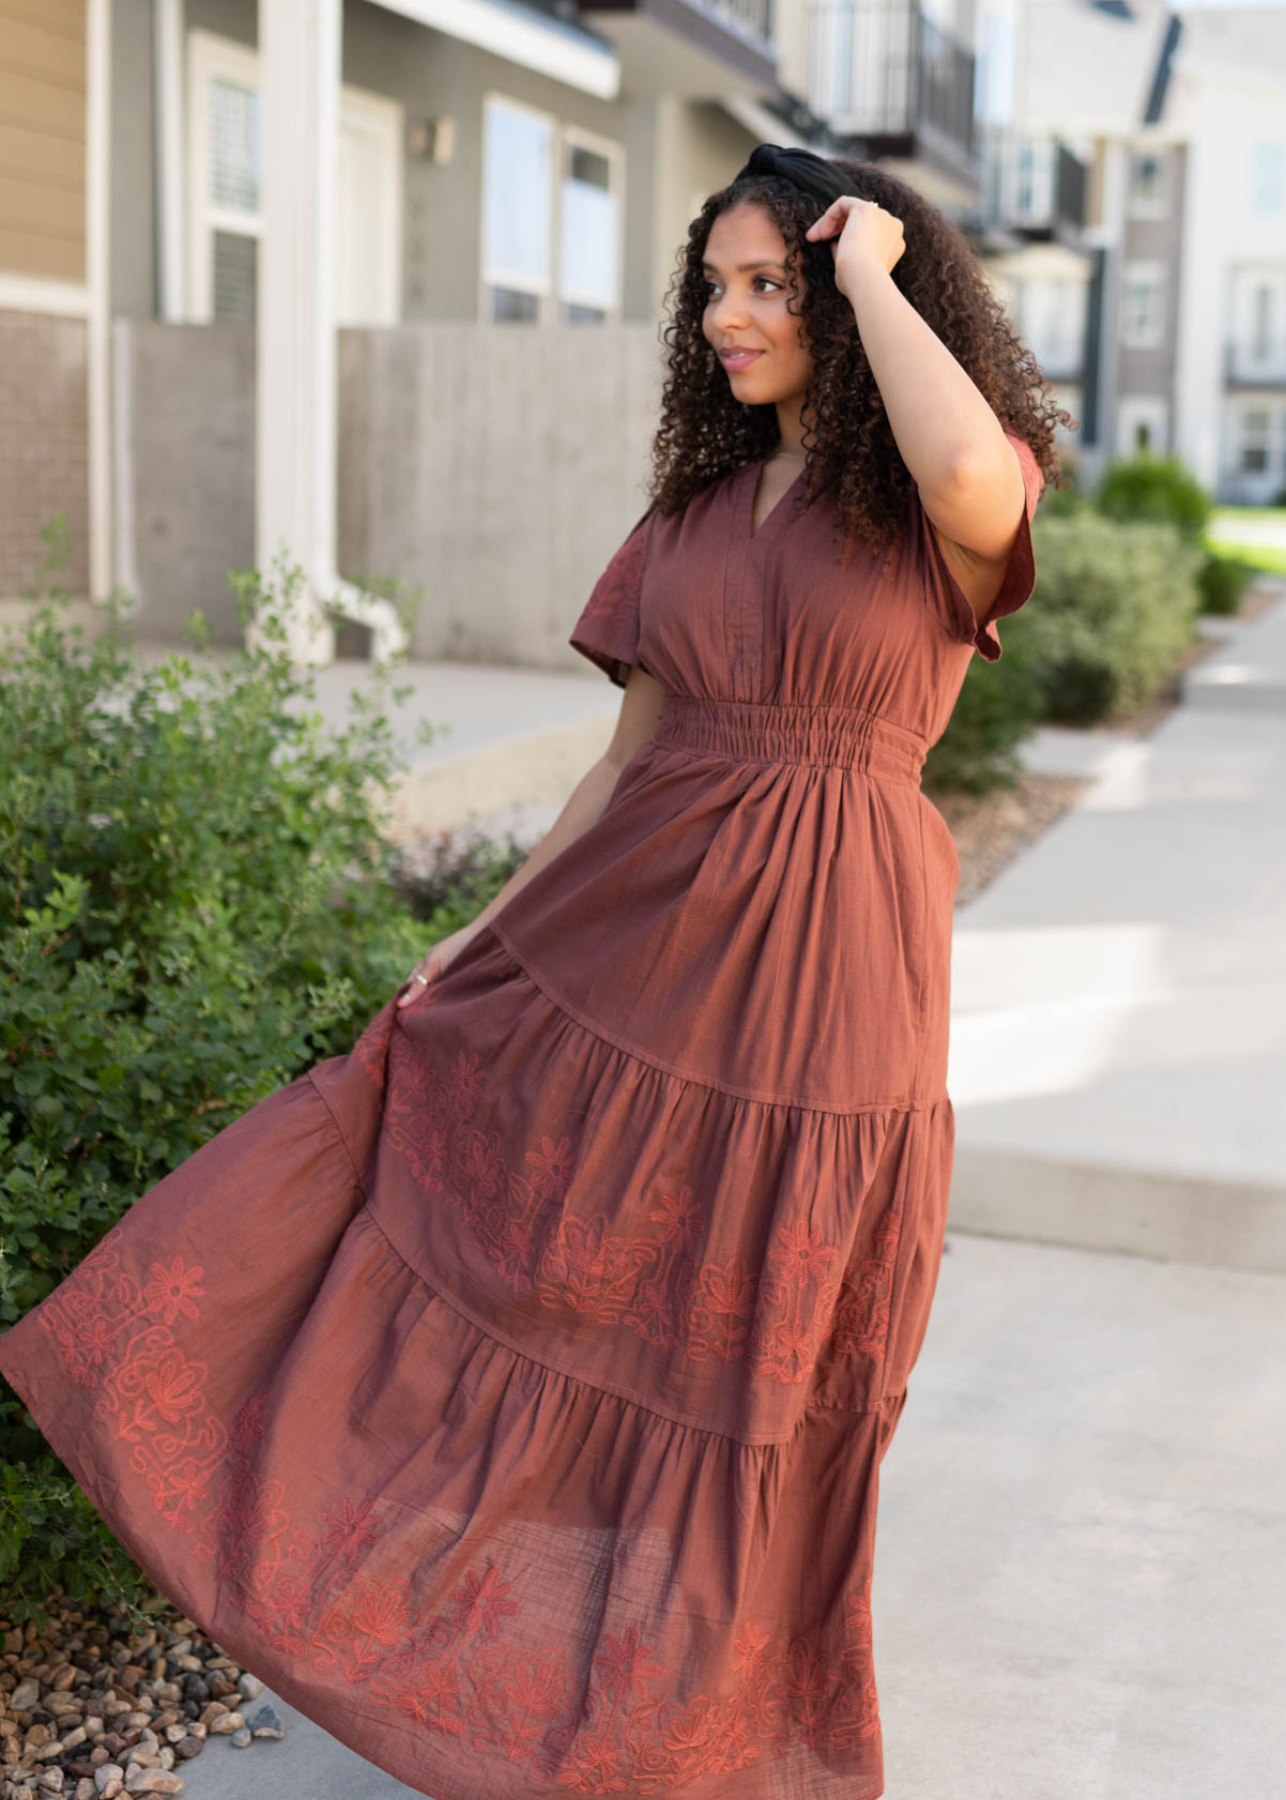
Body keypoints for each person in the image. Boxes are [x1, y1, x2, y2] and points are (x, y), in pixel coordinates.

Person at [0, 144, 1069, 1800]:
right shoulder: (694, 515)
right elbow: (621, 763)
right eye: (712, 285)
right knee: (551, 1275)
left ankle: (680, 1722)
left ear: (860, 293)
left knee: (749, 1360)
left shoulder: (932, 499)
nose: (727, 313)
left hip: (828, 983)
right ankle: (478, 1656)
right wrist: (487, 930)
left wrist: (869, 267)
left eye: (766, 281)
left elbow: (972, 474)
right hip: (629, 952)